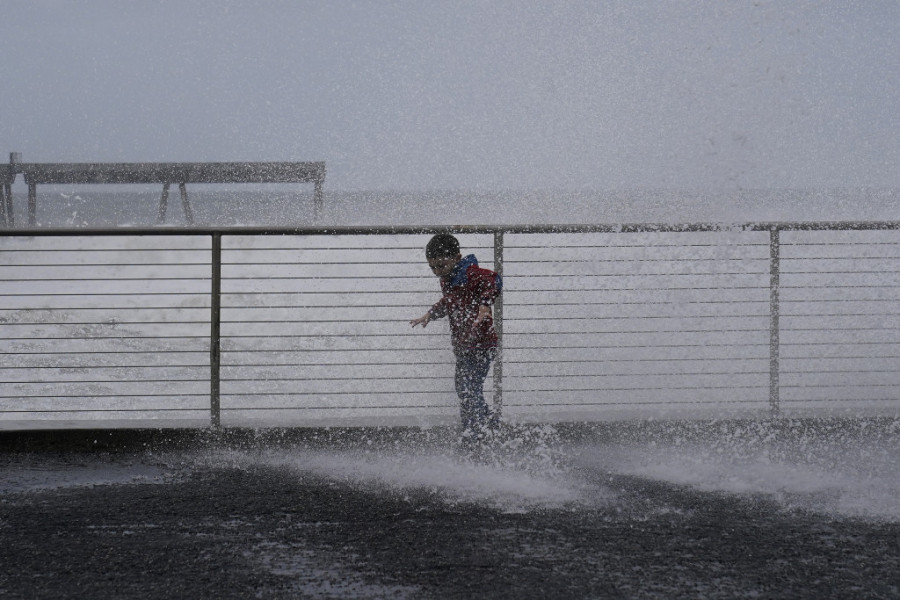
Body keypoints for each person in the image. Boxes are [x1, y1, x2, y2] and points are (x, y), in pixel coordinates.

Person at [410, 233, 502, 441]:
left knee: (469, 390)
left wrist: (485, 304)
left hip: (482, 345)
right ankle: (479, 429)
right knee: (464, 390)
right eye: (432, 267)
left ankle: (479, 433)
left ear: (457, 258)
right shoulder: (448, 278)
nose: (437, 272)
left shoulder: (471, 273)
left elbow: (494, 279)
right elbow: (449, 301)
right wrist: (430, 314)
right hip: (464, 347)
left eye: (441, 266)